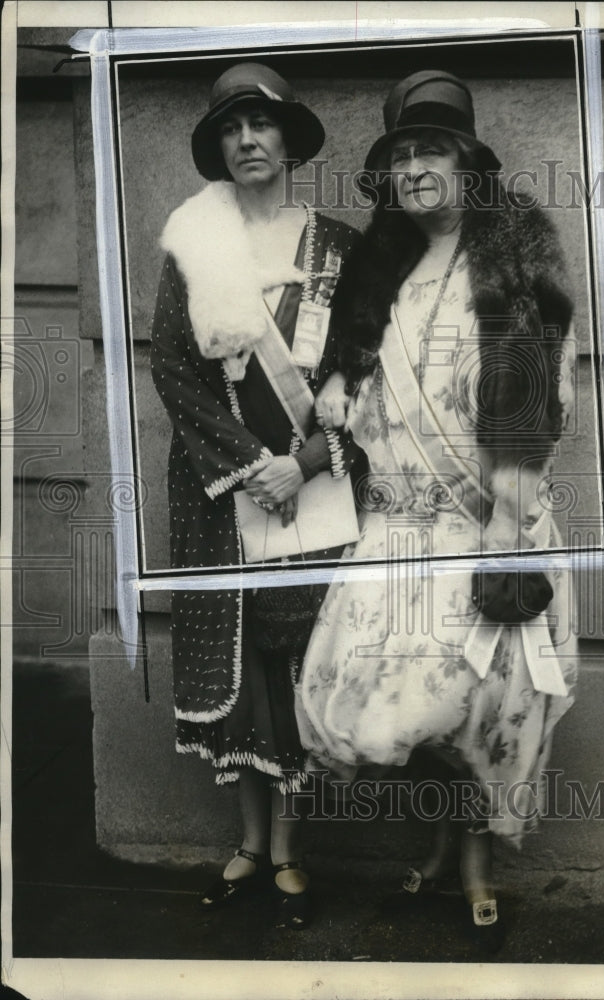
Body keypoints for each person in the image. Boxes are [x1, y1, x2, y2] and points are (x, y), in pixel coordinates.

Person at [296, 70, 578, 951]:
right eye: (401, 155)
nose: (416, 168)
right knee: (395, 714)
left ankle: (474, 866)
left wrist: (507, 525)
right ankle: (439, 838)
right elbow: (347, 367)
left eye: (434, 151)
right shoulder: (377, 262)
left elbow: (541, 397)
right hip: (396, 530)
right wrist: (339, 381)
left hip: (487, 521)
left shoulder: (517, 254)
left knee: (486, 710)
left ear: (469, 165)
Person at [150, 62, 360, 928]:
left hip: (313, 484)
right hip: (216, 486)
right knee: (236, 664)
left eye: (261, 126)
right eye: (232, 129)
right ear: (218, 147)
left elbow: (365, 374)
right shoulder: (191, 246)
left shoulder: (341, 248)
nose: (248, 141)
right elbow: (171, 367)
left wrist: (302, 463)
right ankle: (246, 845)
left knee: (295, 657)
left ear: (288, 139)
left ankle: (291, 852)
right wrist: (250, 462)